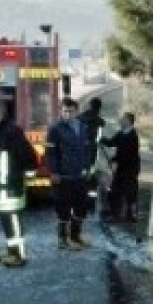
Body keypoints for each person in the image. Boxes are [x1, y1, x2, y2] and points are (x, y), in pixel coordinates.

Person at [0, 97, 38, 267]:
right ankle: (12, 251)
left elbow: (28, 155)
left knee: (12, 220)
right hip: (3, 185)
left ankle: (19, 255)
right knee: (7, 220)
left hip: (10, 186)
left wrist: (26, 173)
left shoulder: (11, 132)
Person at [45, 97, 92, 249]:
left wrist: (88, 167)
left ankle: (76, 237)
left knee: (81, 207)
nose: (68, 115)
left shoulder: (83, 128)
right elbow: (50, 153)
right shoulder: (55, 129)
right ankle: (62, 240)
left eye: (71, 111)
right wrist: (54, 172)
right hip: (63, 176)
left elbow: (87, 150)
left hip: (80, 175)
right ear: (61, 111)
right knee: (63, 208)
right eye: (65, 111)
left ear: (76, 111)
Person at [100, 112, 141, 222]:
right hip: (122, 169)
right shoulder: (121, 133)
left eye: (123, 119)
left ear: (128, 121)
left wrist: (114, 159)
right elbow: (111, 142)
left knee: (130, 193)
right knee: (115, 192)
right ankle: (115, 215)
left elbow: (127, 153)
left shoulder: (133, 136)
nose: (120, 120)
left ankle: (131, 216)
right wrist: (101, 138)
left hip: (130, 169)